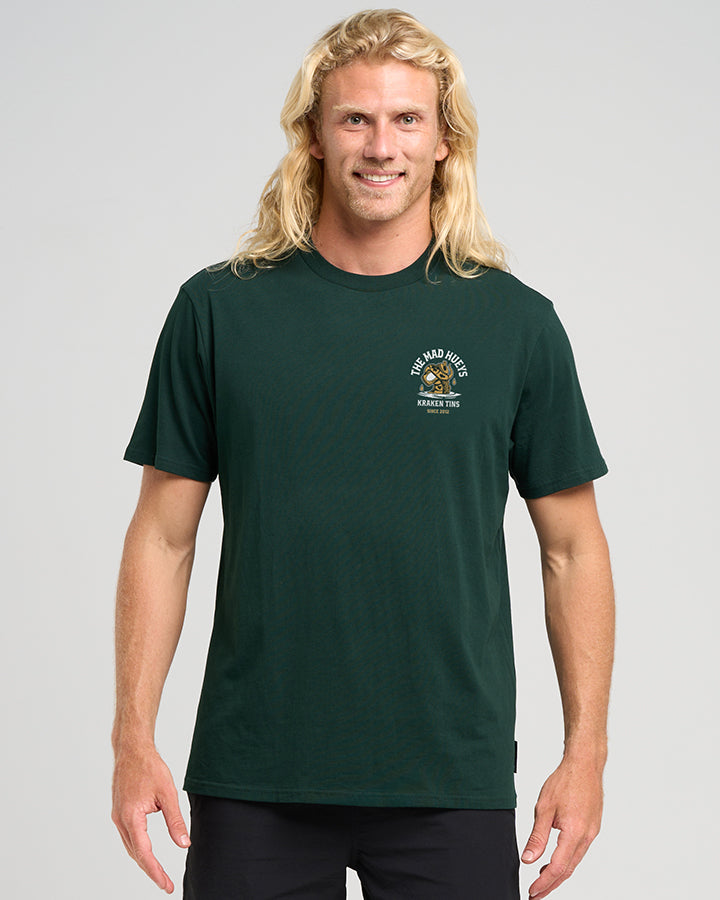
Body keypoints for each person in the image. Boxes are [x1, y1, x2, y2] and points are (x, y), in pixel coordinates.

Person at [111, 9, 614, 900]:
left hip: (449, 777)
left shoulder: (515, 323)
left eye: (407, 119)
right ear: (313, 134)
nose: (382, 146)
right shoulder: (218, 311)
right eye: (355, 119)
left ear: (444, 140)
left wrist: (587, 756)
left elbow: (573, 549)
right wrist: (131, 735)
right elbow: (163, 536)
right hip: (256, 774)